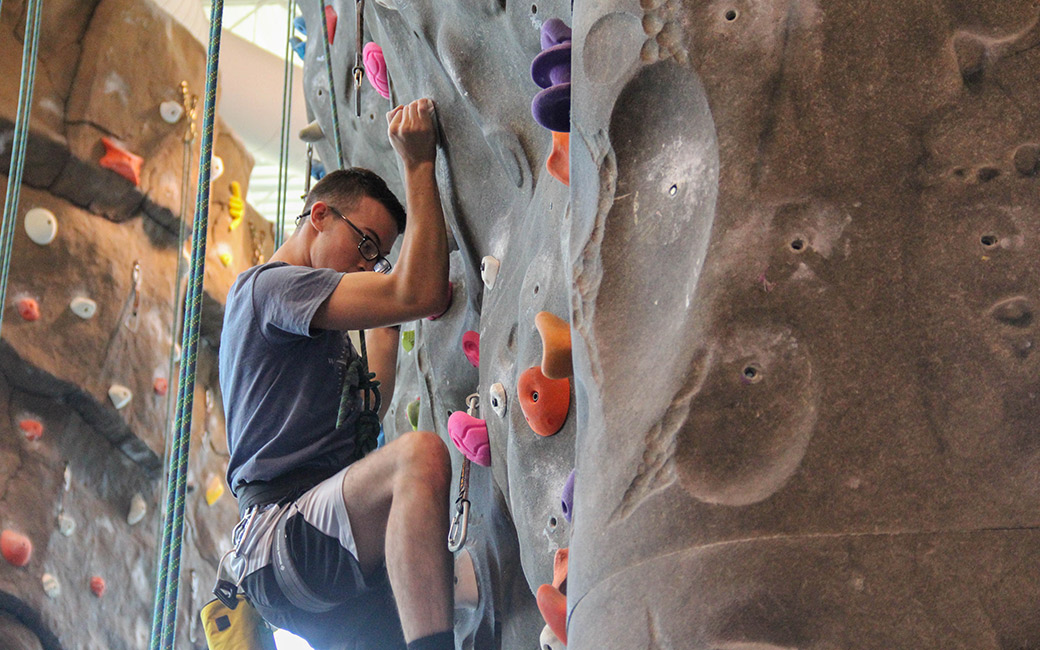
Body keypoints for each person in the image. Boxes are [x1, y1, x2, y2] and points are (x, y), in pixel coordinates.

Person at [218, 98, 454, 650]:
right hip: (279, 534)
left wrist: (388, 316)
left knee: (471, 577)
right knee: (418, 457)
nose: (366, 264)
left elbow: (373, 402)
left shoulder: (319, 333)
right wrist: (419, 165)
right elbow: (416, 293)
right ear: (319, 214)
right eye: (364, 244)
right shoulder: (270, 287)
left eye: (377, 260)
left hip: (317, 544)